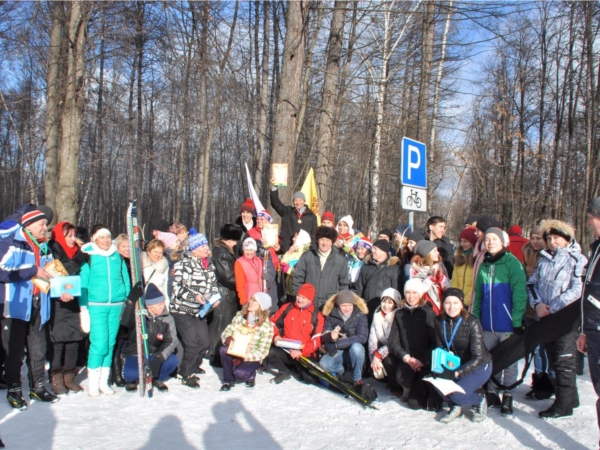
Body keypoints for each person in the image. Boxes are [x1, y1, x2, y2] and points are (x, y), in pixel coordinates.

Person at [527, 220, 587, 418]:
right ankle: (571, 398)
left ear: (567, 239)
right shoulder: (543, 259)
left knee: (564, 360)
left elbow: (578, 289)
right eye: (549, 238)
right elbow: (531, 284)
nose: (552, 242)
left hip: (564, 319)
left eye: (556, 238)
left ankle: (564, 405)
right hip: (545, 317)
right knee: (553, 358)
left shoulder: (577, 259)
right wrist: (537, 304)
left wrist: (555, 306)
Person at [0, 206, 58, 409]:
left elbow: (52, 272)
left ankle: (38, 386)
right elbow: (2, 271)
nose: (45, 228)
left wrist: (62, 287)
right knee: (14, 350)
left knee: (38, 348)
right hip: (16, 305)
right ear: (29, 224)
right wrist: (33, 270)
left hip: (38, 303)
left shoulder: (44, 246)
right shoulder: (11, 242)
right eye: (42, 224)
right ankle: (14, 388)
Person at [472, 227, 527, 416]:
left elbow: (519, 293)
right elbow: (478, 295)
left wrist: (518, 320)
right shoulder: (484, 265)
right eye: (487, 239)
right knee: (490, 360)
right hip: (488, 324)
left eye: (494, 239)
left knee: (509, 361)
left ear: (503, 242)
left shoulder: (513, 263)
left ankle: (508, 394)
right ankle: (492, 392)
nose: (490, 242)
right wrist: (476, 319)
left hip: (508, 324)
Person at [79, 225, 131, 397]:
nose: (106, 241)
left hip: (116, 306)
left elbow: (125, 280)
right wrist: (83, 310)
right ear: (95, 239)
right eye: (102, 237)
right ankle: (93, 383)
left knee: (109, 345)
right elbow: (82, 286)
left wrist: (126, 299)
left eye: (108, 237)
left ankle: (104, 381)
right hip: (96, 306)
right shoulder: (90, 257)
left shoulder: (117, 256)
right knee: (99, 344)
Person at [433, 288, 493, 423]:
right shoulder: (438, 321)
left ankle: (479, 399)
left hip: (479, 365)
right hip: (454, 363)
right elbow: (440, 348)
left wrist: (456, 373)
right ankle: (455, 407)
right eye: (448, 303)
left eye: (455, 303)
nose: (451, 307)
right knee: (438, 383)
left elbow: (478, 357)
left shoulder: (472, 322)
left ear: (461, 305)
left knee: (457, 395)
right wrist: (438, 368)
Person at [170, 231, 219, 388]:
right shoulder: (182, 265)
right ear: (194, 248)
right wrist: (195, 297)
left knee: (204, 343)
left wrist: (214, 298)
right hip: (182, 310)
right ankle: (184, 373)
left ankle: (194, 365)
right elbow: (178, 289)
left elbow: (212, 285)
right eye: (203, 245)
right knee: (193, 343)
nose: (206, 248)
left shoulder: (208, 265)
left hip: (199, 311)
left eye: (206, 245)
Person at [48, 221, 89, 395]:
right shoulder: (53, 250)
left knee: (74, 339)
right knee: (58, 341)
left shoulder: (77, 252)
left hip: (74, 300)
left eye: (74, 235)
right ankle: (56, 376)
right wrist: (80, 257)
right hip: (58, 303)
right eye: (69, 236)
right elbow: (62, 273)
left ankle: (69, 376)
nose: (73, 239)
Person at [121, 283, 179, 393]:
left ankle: (157, 378)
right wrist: (130, 303)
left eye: (163, 303)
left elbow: (171, 341)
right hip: (136, 352)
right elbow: (125, 321)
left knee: (172, 361)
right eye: (159, 304)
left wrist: (159, 357)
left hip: (154, 353)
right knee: (131, 374)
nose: (162, 306)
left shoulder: (167, 319)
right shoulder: (139, 315)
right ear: (149, 306)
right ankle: (133, 379)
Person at [388, 279, 436, 408]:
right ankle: (407, 387)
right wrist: (406, 357)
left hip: (425, 361)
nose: (411, 296)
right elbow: (393, 340)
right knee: (401, 376)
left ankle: (420, 388)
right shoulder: (399, 314)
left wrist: (423, 360)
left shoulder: (428, 313)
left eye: (414, 293)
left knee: (414, 404)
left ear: (420, 294)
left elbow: (436, 342)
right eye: (408, 293)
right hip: (408, 359)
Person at [265, 283, 324, 384]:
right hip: (285, 349)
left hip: (302, 352)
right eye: (298, 296)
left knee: (309, 379)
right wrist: (275, 336)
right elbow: (271, 322)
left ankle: (296, 367)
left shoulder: (317, 315)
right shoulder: (287, 307)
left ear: (310, 299)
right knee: (268, 352)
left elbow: (316, 340)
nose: (299, 300)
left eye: (304, 298)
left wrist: (302, 352)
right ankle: (284, 370)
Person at [522, 224, 554, 399]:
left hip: (544, 308)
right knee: (535, 347)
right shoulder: (526, 254)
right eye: (532, 237)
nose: (534, 241)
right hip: (528, 308)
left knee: (546, 347)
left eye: (538, 238)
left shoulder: (548, 257)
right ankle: (538, 380)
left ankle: (549, 383)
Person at [577, 197, 600, 445]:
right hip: (593, 332)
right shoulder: (596, 249)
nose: (589, 222)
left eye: (592, 218)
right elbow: (590, 293)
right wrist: (584, 331)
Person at [219, 292, 274, 391]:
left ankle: (250, 375)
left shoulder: (267, 326)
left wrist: (244, 356)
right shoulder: (240, 316)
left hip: (251, 356)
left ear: (261, 306)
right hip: (235, 350)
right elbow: (228, 331)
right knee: (223, 349)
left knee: (240, 373)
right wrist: (227, 338)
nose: (250, 302)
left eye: (254, 300)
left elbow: (263, 351)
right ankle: (228, 380)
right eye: (251, 298)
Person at [209, 224, 243, 367]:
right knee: (221, 325)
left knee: (223, 324)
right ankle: (217, 355)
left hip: (226, 295)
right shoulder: (222, 253)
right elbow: (228, 277)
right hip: (224, 295)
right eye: (234, 240)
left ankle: (219, 354)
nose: (235, 244)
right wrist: (243, 282)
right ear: (229, 240)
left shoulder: (223, 252)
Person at [292, 226, 349, 311]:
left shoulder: (341, 260)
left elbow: (344, 284)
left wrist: (342, 303)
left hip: (330, 305)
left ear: (332, 242)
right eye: (322, 239)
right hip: (308, 303)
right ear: (318, 240)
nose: (324, 243)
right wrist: (299, 299)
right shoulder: (307, 256)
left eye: (328, 240)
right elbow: (297, 279)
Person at [320, 290, 369, 388]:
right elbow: (324, 334)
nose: (347, 309)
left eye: (349, 305)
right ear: (338, 305)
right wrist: (331, 336)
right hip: (337, 351)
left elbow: (362, 337)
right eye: (344, 306)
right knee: (323, 364)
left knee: (357, 348)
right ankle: (342, 370)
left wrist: (339, 343)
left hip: (352, 350)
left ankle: (357, 378)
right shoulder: (332, 314)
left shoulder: (360, 315)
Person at [354, 239, 404, 319]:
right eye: (373, 248)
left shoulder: (394, 269)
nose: (372, 251)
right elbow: (358, 289)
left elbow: (396, 292)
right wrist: (358, 306)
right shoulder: (365, 267)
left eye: (375, 249)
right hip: (366, 310)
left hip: (384, 311)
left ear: (384, 251)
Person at [369, 287, 401, 393]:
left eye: (390, 303)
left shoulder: (398, 316)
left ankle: (396, 387)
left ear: (395, 304)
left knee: (389, 360)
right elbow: (372, 340)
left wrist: (378, 355)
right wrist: (374, 360)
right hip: (384, 349)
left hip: (397, 349)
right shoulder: (377, 316)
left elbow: (394, 342)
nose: (386, 306)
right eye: (384, 302)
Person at [270, 183, 318, 253]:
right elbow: (276, 203)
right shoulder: (287, 211)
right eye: (295, 200)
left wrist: (311, 249)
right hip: (286, 249)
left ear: (304, 201)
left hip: (303, 252)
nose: (298, 202)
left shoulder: (311, 216)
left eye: (300, 200)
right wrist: (274, 187)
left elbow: (314, 235)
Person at [409, 240, 450, 315]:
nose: (438, 253)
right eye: (435, 251)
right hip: (424, 306)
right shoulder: (415, 269)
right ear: (427, 254)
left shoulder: (441, 266)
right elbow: (417, 290)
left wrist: (441, 278)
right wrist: (431, 279)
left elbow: (448, 288)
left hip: (441, 305)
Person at [450, 226, 477, 307]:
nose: (462, 244)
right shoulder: (459, 256)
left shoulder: (477, 259)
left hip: (471, 302)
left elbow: (474, 285)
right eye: (461, 241)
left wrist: (466, 302)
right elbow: (455, 280)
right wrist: (453, 297)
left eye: (465, 241)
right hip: (458, 302)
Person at [280, 230, 311, 297]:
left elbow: (303, 271)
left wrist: (288, 270)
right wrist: (289, 252)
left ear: (301, 238)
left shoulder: (305, 253)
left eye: (295, 237)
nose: (293, 239)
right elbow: (283, 263)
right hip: (290, 287)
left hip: (298, 290)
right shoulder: (295, 250)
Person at [234, 238, 265, 306]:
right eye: (246, 250)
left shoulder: (259, 260)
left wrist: (266, 279)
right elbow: (239, 285)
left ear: (255, 250)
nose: (249, 252)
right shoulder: (239, 262)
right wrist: (244, 301)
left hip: (260, 297)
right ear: (243, 250)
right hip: (249, 298)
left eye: (251, 250)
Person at [142, 239, 170, 306]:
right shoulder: (141, 265)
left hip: (158, 304)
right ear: (148, 252)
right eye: (155, 252)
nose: (158, 255)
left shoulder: (164, 267)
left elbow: (165, 288)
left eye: (160, 253)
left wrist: (166, 304)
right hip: (143, 302)